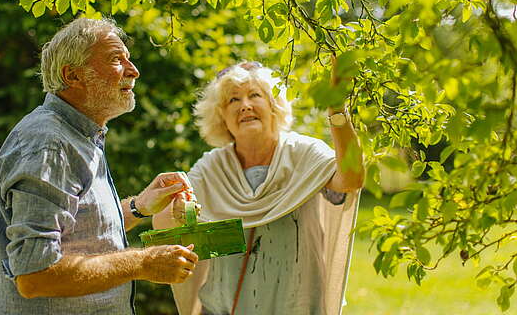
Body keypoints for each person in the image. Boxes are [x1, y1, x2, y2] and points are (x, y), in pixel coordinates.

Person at [0, 18, 198, 315]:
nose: (134, 71)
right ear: (74, 75)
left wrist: (139, 207)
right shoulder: (49, 144)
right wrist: (142, 263)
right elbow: (34, 275)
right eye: (116, 60)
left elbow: (75, 230)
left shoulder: (78, 136)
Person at [153, 60, 364, 315]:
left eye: (255, 95)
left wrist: (337, 111)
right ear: (221, 117)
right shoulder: (210, 167)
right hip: (223, 308)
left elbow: (351, 179)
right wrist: (178, 211)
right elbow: (166, 222)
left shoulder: (304, 152)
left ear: (274, 106)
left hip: (297, 307)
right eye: (233, 100)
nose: (245, 106)